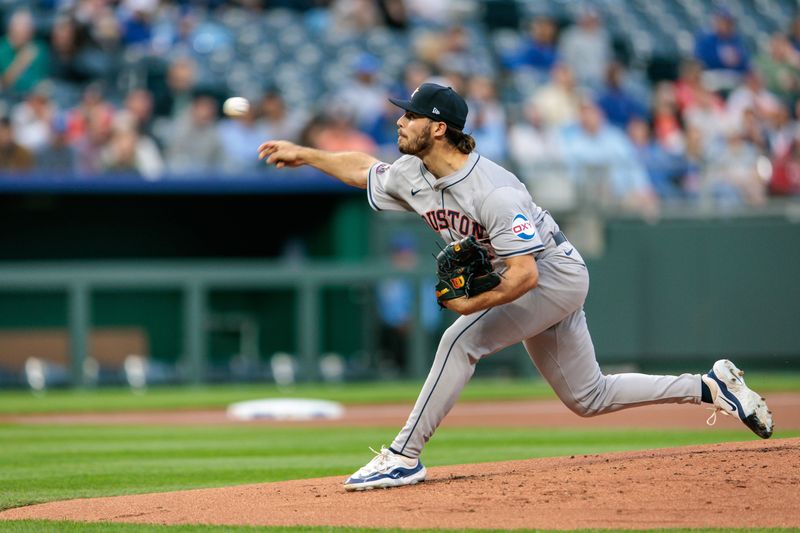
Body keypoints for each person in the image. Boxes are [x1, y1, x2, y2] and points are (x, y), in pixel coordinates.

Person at [258, 82, 774, 492]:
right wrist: (305, 154)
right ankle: (710, 386)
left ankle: (402, 456)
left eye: (409, 114)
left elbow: (524, 275)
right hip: (533, 277)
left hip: (552, 274)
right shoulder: (413, 173)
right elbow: (365, 168)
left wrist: (472, 304)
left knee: (460, 339)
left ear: (437, 129)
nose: (399, 120)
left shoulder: (494, 190)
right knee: (588, 397)